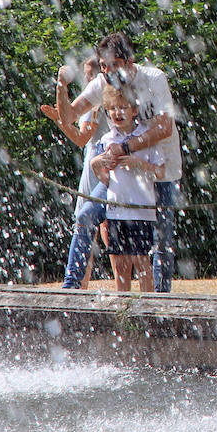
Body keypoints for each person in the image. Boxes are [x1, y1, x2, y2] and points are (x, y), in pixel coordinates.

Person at [57, 33, 180, 291]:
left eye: (114, 64)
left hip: (158, 170)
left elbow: (165, 127)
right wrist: (61, 86)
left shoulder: (154, 79)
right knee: (86, 215)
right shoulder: (102, 82)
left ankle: (159, 305)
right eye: (104, 66)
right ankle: (70, 287)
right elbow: (68, 116)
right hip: (120, 175)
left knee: (161, 241)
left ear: (129, 60)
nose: (108, 71)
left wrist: (126, 147)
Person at [42, 56, 108, 286]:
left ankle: (74, 284)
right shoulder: (93, 99)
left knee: (86, 226)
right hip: (94, 160)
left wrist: (59, 122)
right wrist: (60, 118)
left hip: (99, 163)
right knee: (91, 229)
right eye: (86, 74)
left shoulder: (100, 99)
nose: (87, 78)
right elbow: (70, 120)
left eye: (91, 74)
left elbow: (80, 138)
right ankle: (80, 284)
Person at [91, 85, 166, 292]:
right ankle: (123, 312)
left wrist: (138, 163)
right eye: (113, 108)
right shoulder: (106, 140)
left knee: (142, 265)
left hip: (141, 211)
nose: (118, 113)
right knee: (120, 266)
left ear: (134, 110)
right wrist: (97, 163)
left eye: (123, 107)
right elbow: (104, 179)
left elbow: (160, 172)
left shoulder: (147, 138)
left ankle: (148, 313)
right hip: (116, 211)